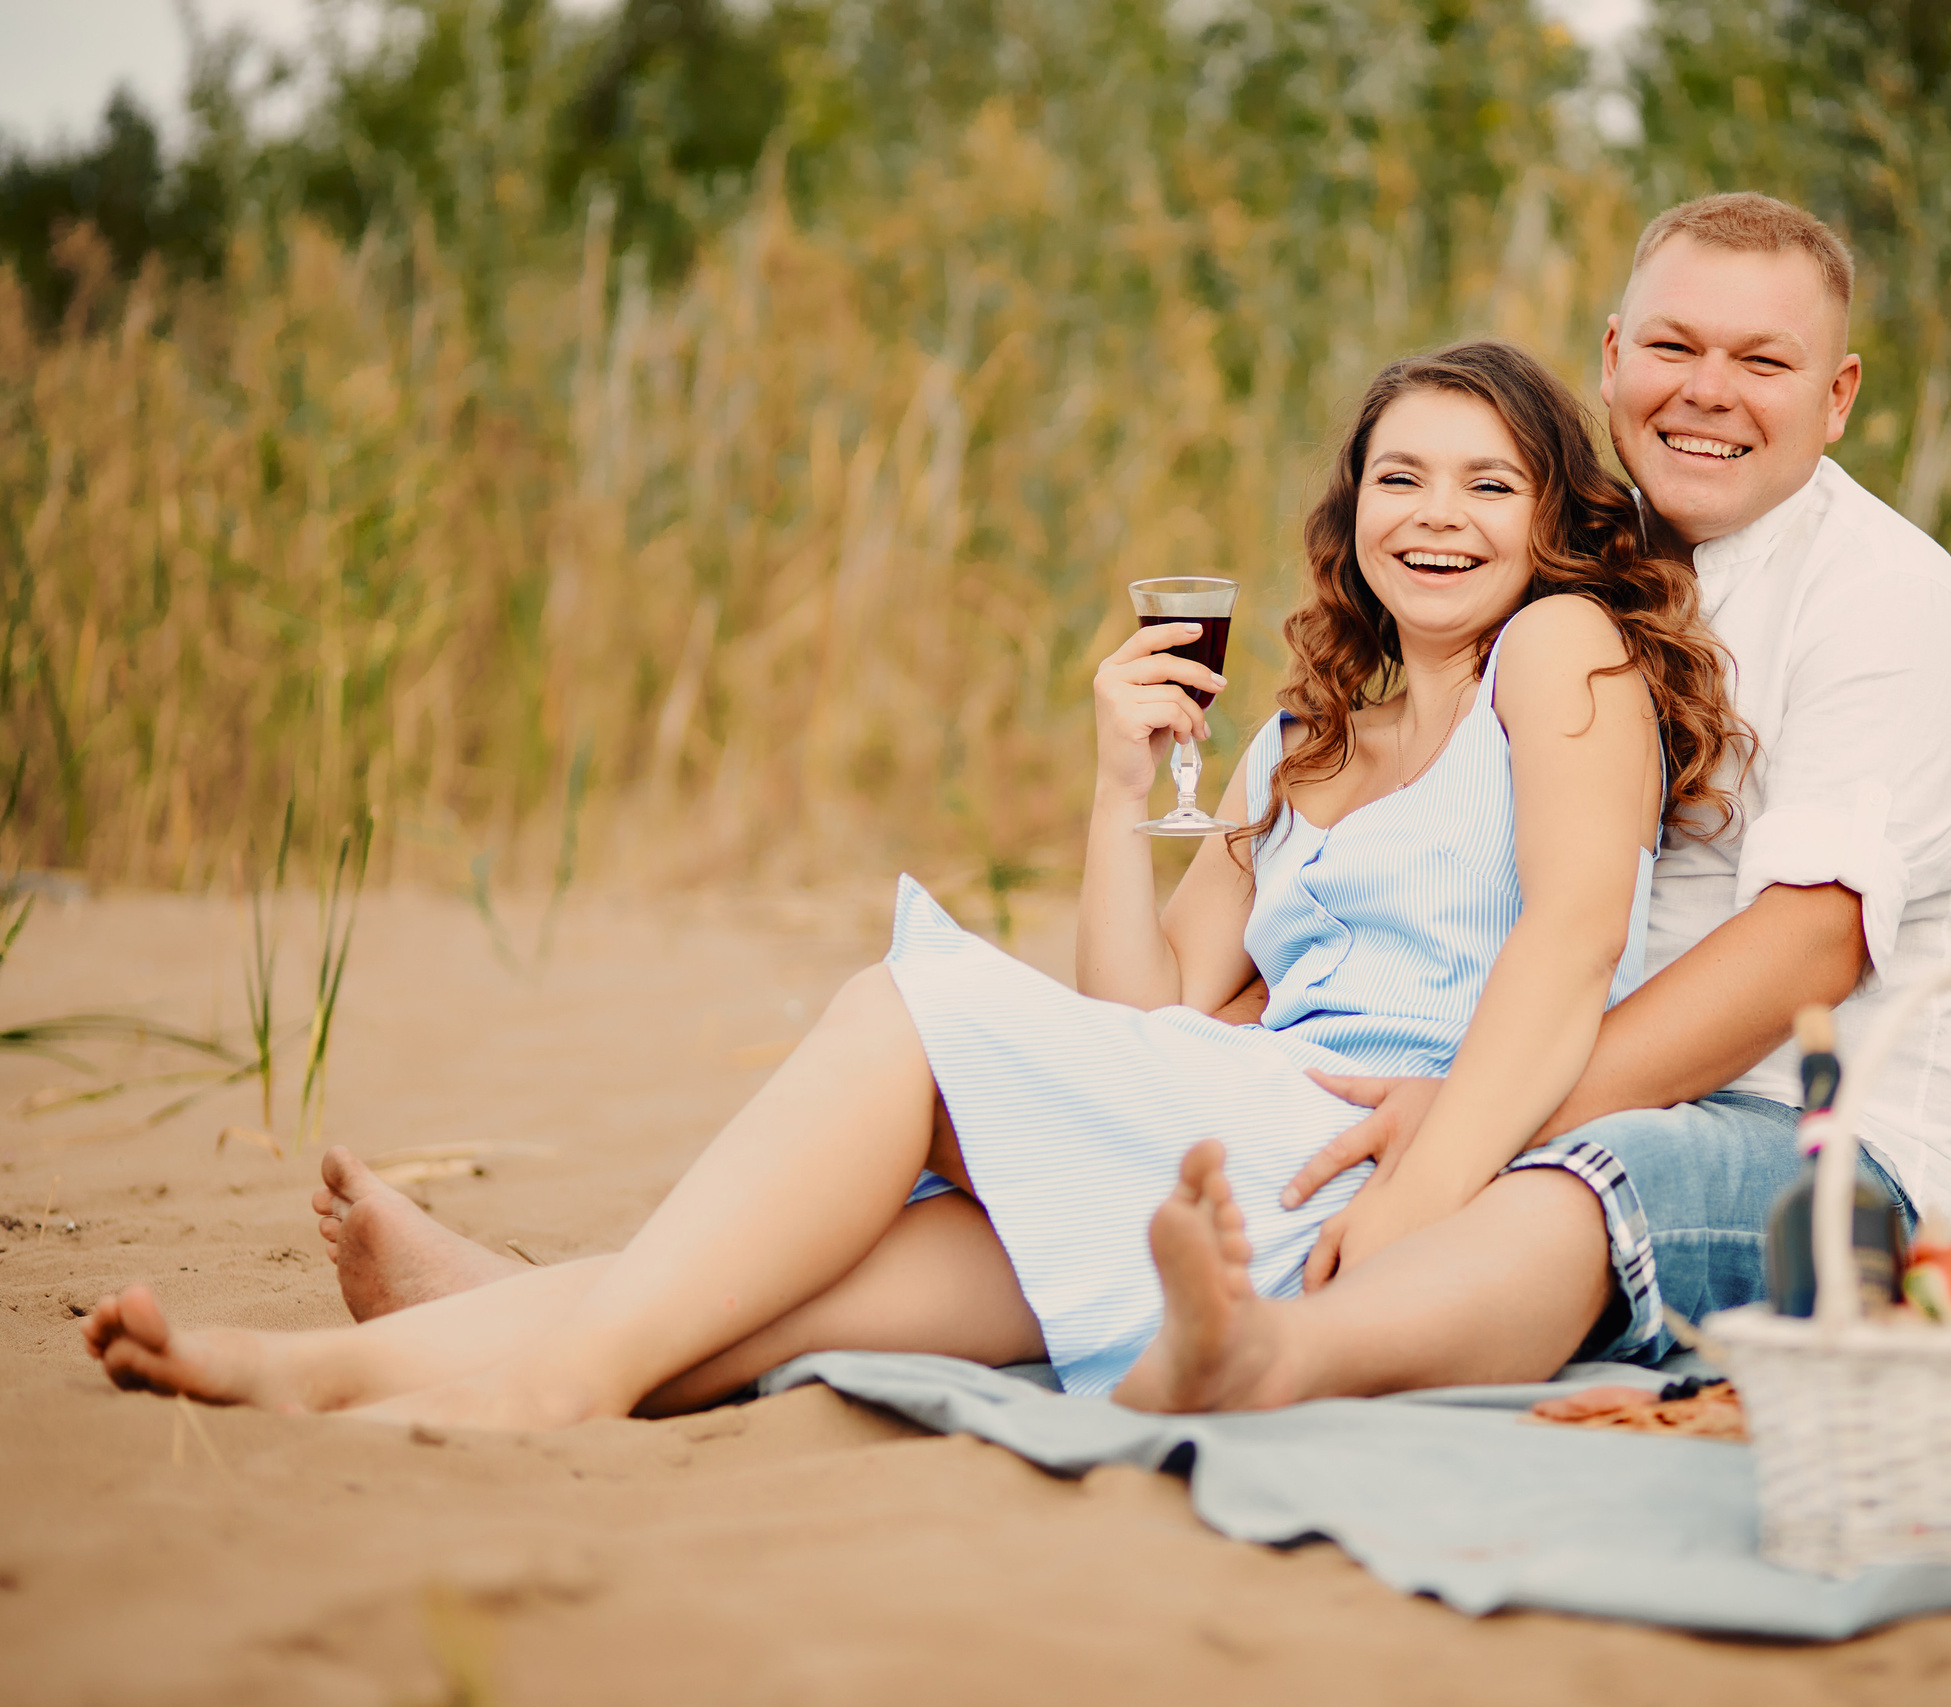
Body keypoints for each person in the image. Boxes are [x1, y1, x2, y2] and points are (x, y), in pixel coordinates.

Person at [79, 339, 1751, 1424]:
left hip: (1357, 1156)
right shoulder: (1303, 748)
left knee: (907, 1005)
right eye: (1400, 475)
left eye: (1487, 482)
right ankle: (326, 1369)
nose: (1437, 515)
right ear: (1350, 512)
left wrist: (1418, 1197)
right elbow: (1137, 1011)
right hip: (1216, 1118)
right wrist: (1115, 790)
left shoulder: (1564, 647)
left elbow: (1569, 935)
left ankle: (544, 1365)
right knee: (781, 1302)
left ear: (1551, 520)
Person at [1280, 191, 1951, 1366]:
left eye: (1762, 362)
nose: (1707, 392)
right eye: (1673, 348)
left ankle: (1289, 1360)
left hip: (1809, 1125)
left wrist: (1479, 1126)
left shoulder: (1884, 602)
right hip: (1529, 1068)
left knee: (1578, 1186)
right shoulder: (1575, 555)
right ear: (1614, 357)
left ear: (1837, 398)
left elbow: (1809, 947)